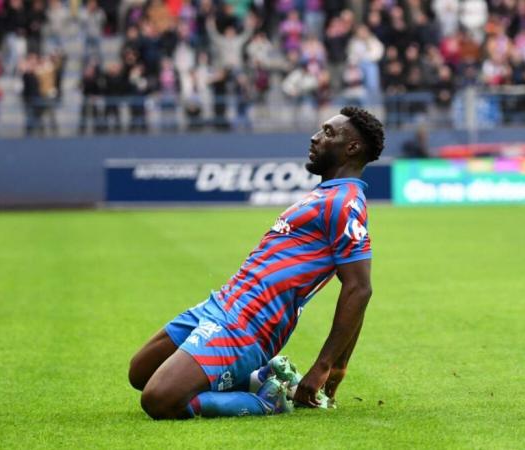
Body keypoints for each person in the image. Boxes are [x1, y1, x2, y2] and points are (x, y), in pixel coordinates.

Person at [128, 106, 385, 419]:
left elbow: (360, 288)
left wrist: (326, 366)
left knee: (159, 400)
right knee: (140, 374)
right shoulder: (325, 194)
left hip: (248, 325)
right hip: (223, 304)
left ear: (352, 148)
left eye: (329, 133)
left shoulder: (346, 203)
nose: (315, 137)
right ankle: (261, 380)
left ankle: (269, 402)